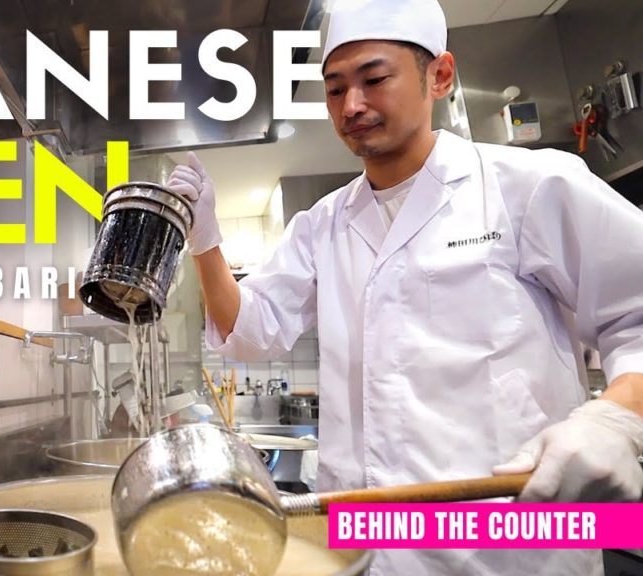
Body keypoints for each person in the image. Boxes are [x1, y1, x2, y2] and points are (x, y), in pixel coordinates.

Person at [165, 0, 643, 574]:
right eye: (335, 88)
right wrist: (205, 240)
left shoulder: (530, 187)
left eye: (374, 79)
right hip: (361, 548)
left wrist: (617, 418)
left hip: (509, 549)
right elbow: (248, 329)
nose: (352, 105)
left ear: (439, 75)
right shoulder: (323, 224)